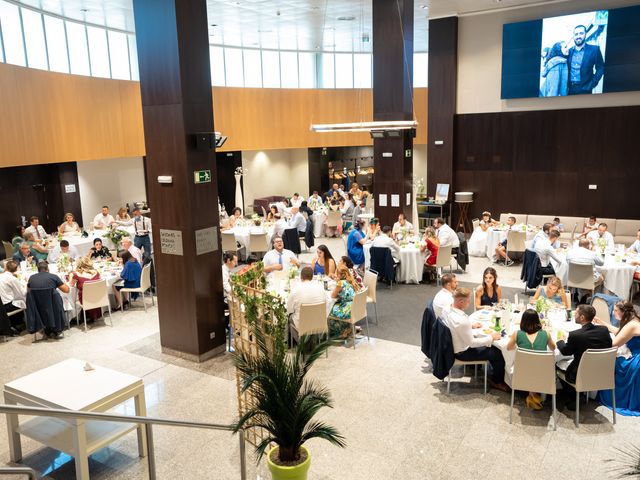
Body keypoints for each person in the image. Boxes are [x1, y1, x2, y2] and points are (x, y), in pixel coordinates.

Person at [442, 288, 510, 392]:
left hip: (453, 346)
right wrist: (491, 337)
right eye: (468, 301)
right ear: (460, 301)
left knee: (490, 346)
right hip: (462, 352)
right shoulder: (461, 321)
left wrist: (470, 326)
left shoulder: (447, 310)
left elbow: (459, 328)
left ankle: (491, 370)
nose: (469, 303)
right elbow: (472, 343)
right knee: (497, 353)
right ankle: (497, 381)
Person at [556, 304, 612, 410]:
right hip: (602, 372)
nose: (574, 315)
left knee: (557, 366)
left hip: (579, 374)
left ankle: (575, 397)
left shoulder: (575, 335)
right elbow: (609, 345)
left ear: (582, 317)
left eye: (576, 313)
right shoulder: (604, 330)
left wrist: (560, 340)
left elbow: (565, 352)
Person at [595, 302, 640, 416]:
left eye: (615, 310)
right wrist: (603, 324)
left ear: (623, 312)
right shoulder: (634, 320)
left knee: (609, 360)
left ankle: (595, 387)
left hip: (635, 359)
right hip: (635, 353)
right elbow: (620, 332)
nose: (613, 312)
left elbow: (613, 344)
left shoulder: (631, 325)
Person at [507, 309, 556, 409]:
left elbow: (508, 347)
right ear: (538, 320)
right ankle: (534, 395)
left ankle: (532, 395)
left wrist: (518, 346)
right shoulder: (546, 334)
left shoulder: (517, 334)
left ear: (522, 321)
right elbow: (553, 348)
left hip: (522, 374)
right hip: (542, 375)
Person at [27, 261, 70, 338]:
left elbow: (28, 291)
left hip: (38, 307)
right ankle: (57, 327)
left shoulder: (31, 278)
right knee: (60, 297)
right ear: (48, 269)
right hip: (53, 306)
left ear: (38, 270)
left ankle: (46, 327)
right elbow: (66, 290)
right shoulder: (53, 276)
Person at [567, 24, 604, 95]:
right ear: (573, 36)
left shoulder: (594, 50)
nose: (578, 36)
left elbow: (600, 68)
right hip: (570, 89)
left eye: (581, 33)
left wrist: (592, 84)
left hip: (586, 89)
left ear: (585, 34)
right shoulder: (569, 52)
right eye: (576, 34)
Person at [329, 265, 361, 338]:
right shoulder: (351, 280)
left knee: (329, 309)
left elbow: (332, 296)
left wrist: (337, 283)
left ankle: (339, 331)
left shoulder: (340, 283)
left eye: (337, 274)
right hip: (354, 307)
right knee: (335, 306)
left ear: (340, 275)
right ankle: (347, 328)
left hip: (347, 310)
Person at [69, 256, 102, 321]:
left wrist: (70, 276)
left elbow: (71, 284)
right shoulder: (96, 272)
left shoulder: (76, 274)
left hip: (86, 300)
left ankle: (78, 317)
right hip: (98, 298)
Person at [0, 260, 27, 334]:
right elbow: (22, 293)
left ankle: (17, 323)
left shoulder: (1, 275)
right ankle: (20, 323)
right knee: (26, 300)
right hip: (7, 305)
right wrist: (26, 286)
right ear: (17, 269)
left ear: (6, 268)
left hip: (1, 305)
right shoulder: (12, 279)